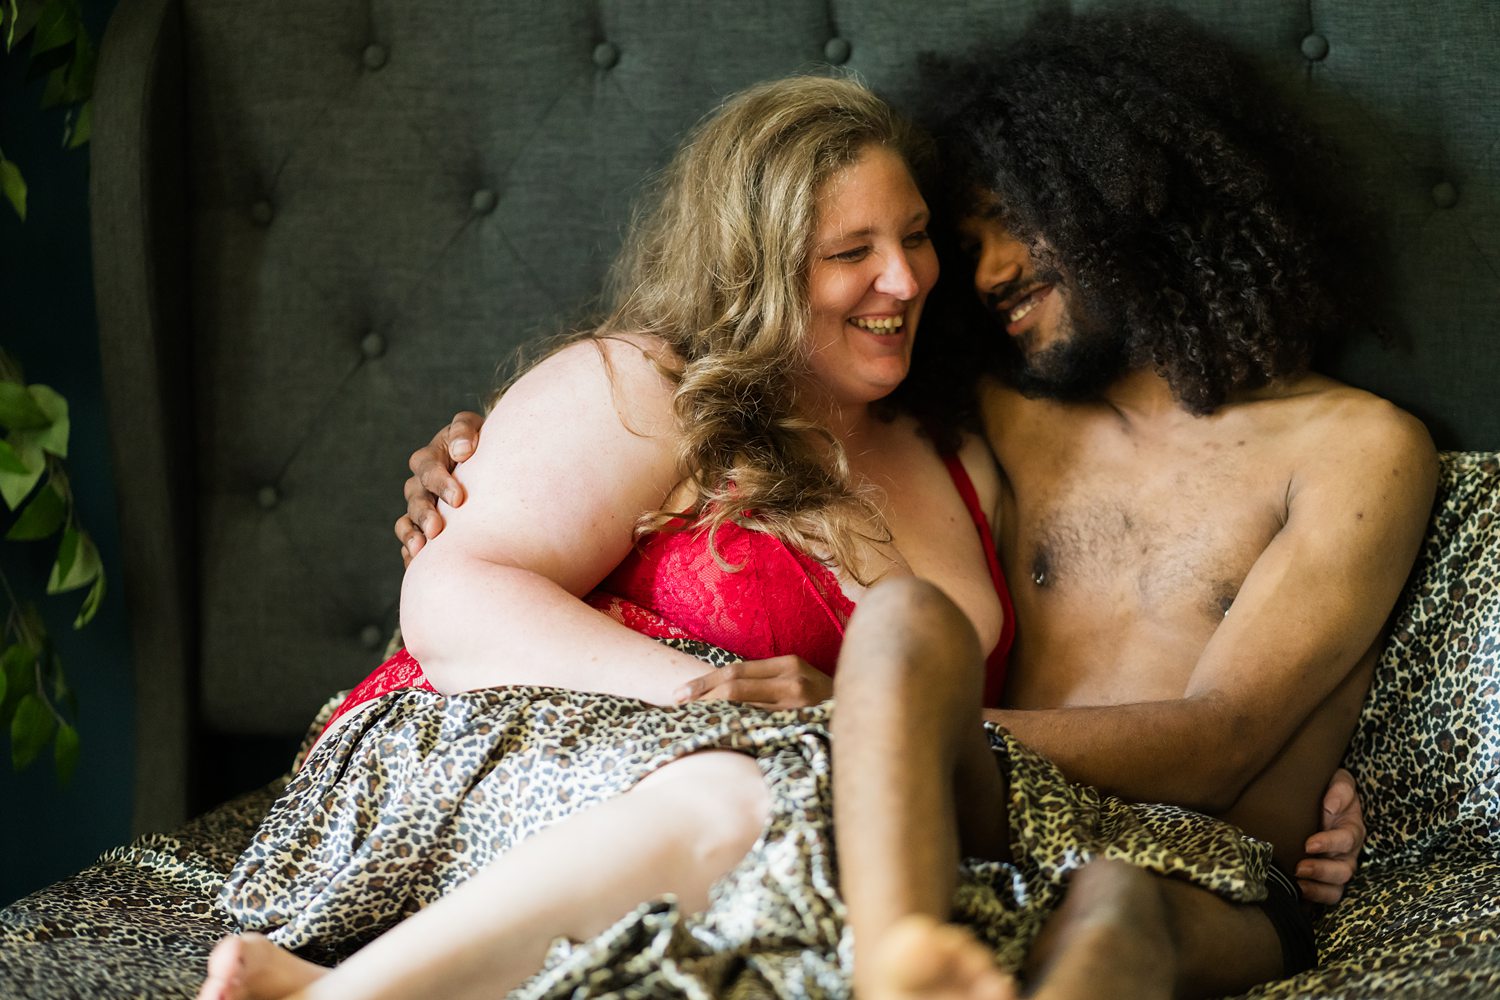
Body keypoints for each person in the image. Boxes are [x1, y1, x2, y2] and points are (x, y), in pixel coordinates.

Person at [398, 10, 1427, 1000]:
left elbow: (1225, 735)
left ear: (1129, 190)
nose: (980, 274)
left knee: (1115, 908)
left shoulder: (1359, 448)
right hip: (999, 817)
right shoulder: (1002, 415)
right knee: (901, 627)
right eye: (960, 238)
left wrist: (881, 727)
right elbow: (757, 378)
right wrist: (473, 460)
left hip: (1200, 854)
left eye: (1015, 221)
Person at [196, 74, 1018, 1000]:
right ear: (753, 265)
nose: (905, 280)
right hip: (477, 742)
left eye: (913, 237)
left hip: (810, 820)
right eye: (850, 251)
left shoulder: (965, 463)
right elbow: (448, 600)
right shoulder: (642, 386)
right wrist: (708, 699)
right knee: (745, 795)